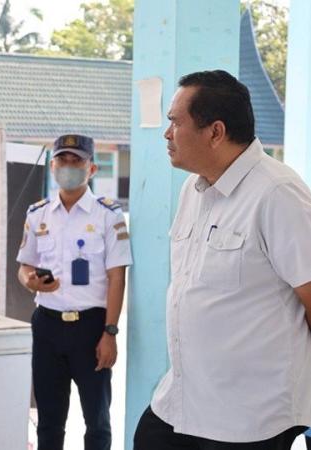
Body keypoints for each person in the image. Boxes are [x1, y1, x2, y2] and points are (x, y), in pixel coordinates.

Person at [133, 70, 311, 449]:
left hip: (249, 416)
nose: (167, 134)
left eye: (175, 123)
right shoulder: (193, 189)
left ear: (215, 132)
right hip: (182, 400)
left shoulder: (277, 193)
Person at [16, 134, 132, 450]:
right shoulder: (37, 214)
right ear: (52, 166)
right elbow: (24, 267)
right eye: (62, 161)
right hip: (48, 326)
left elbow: (117, 278)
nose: (69, 167)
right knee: (50, 421)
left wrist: (110, 332)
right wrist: (30, 281)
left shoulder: (108, 215)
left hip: (91, 328)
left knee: (97, 421)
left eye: (76, 161)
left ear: (91, 168)